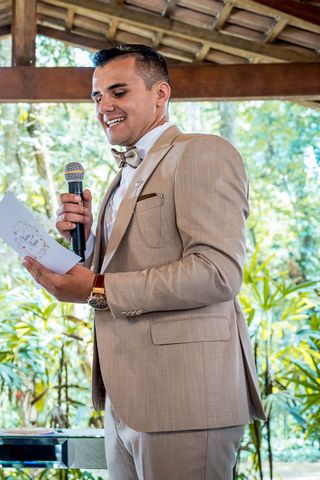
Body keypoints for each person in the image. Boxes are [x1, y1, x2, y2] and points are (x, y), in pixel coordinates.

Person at [23, 45, 265, 479]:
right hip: (125, 398)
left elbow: (217, 272)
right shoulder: (121, 175)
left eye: (118, 92)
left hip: (186, 398)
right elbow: (125, 263)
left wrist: (95, 288)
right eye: (97, 97)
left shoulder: (202, 153)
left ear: (161, 94)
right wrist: (83, 241)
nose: (105, 107)